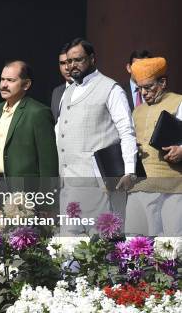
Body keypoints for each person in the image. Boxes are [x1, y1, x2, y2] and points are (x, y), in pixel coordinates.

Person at [57, 38, 137, 230]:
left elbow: (127, 131)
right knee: (67, 248)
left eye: (78, 59)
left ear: (92, 59)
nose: (72, 66)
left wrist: (129, 171)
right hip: (68, 184)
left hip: (98, 185)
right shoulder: (67, 92)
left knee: (98, 248)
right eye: (68, 61)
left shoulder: (111, 88)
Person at [125, 57, 182, 236]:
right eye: (140, 88)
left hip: (172, 188)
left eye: (148, 87)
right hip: (140, 187)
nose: (143, 93)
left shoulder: (179, 102)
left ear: (163, 82)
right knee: (135, 242)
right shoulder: (137, 111)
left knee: (171, 244)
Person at [0, 61, 58, 178]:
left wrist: (46, 195)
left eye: (10, 80)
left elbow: (48, 163)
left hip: (25, 190)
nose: (4, 85)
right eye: (2, 79)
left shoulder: (38, 113)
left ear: (26, 84)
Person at [51, 43, 73, 120]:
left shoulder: (92, 89)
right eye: (63, 63)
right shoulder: (57, 92)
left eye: (69, 62)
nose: (66, 67)